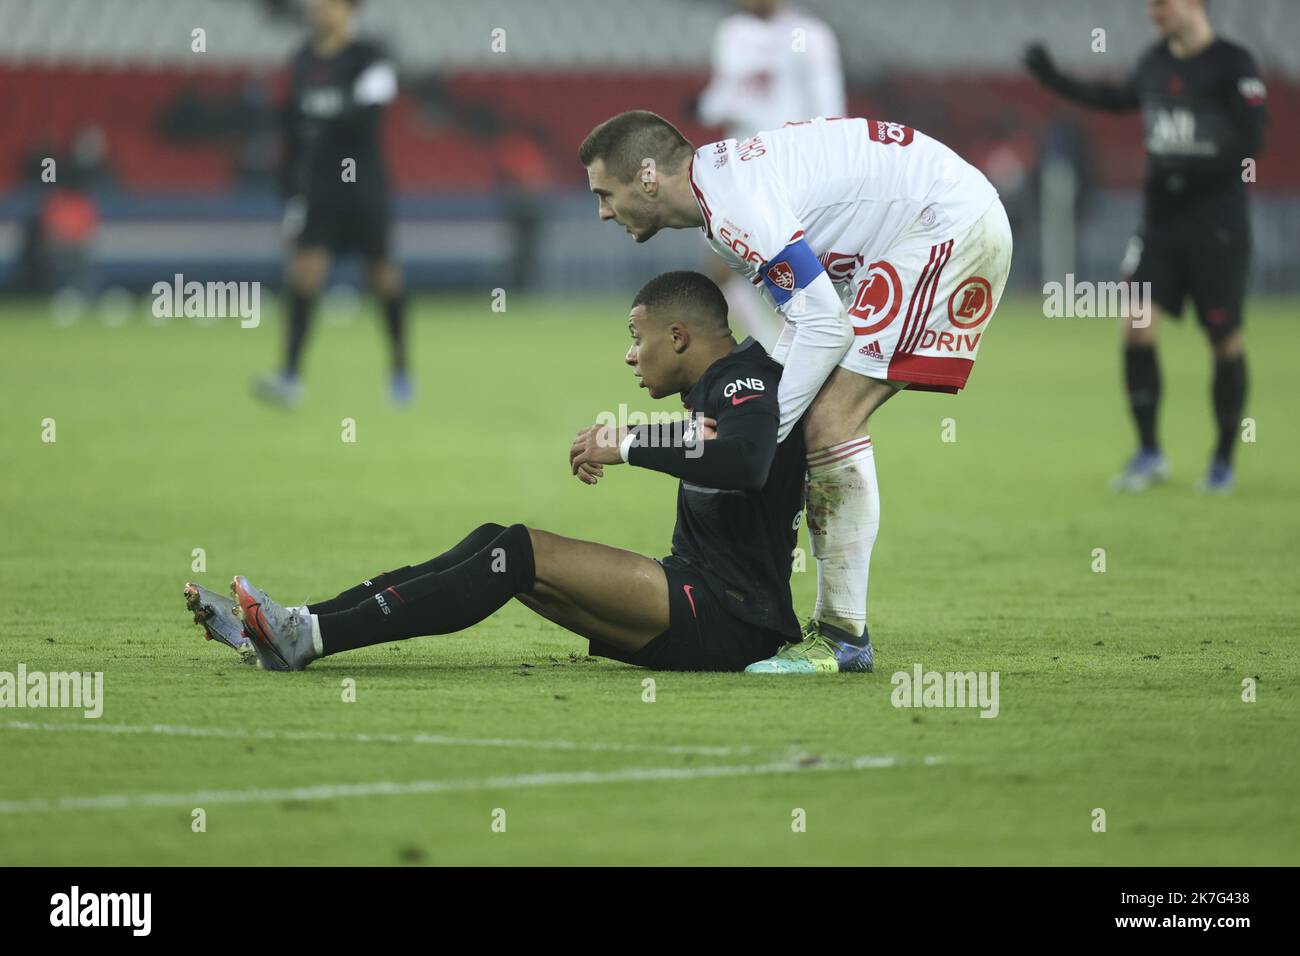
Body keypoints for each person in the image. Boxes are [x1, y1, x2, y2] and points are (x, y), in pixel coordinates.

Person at [190, 271, 823, 673]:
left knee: (517, 552)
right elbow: (723, 450)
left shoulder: (745, 377)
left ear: (679, 336)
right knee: (494, 541)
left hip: (732, 616)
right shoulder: (718, 388)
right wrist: (648, 437)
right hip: (694, 592)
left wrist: (627, 442)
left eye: (637, 336)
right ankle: (296, 624)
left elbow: (746, 460)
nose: (629, 353)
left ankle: (306, 636)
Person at [580, 110, 1012, 673]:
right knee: (813, 414)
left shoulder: (735, 209)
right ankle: (840, 632)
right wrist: (754, 419)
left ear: (646, 177)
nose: (602, 211)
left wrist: (755, 435)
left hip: (942, 225)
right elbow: (804, 325)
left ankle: (842, 636)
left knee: (830, 419)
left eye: (605, 193)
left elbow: (826, 326)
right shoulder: (723, 201)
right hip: (925, 224)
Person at [1026, 0, 1268, 493]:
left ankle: (1222, 461)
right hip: (1160, 223)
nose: (1153, 12)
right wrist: (1054, 78)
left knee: (1223, 338)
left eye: (1163, 3)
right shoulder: (1155, 62)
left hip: (1217, 227)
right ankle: (1150, 453)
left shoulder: (1233, 64)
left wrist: (1186, 169)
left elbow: (1252, 139)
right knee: (1137, 326)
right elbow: (1115, 99)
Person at [255, 0, 411, 408]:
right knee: (304, 274)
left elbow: (365, 115)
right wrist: (288, 182)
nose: (317, 9)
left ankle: (399, 370)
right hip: (320, 185)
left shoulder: (371, 56)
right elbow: (289, 125)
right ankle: (289, 377)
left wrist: (319, 109)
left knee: (382, 275)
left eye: (328, 3)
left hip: (365, 185)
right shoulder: (302, 59)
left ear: (350, 10)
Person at [695, 0, 846, 352]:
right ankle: (775, 345)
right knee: (722, 261)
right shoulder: (733, 33)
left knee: (789, 266)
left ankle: (800, 345)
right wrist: (706, 106)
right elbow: (725, 94)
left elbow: (829, 106)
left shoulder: (806, 35)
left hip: (790, 166)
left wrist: (825, 160)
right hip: (740, 164)